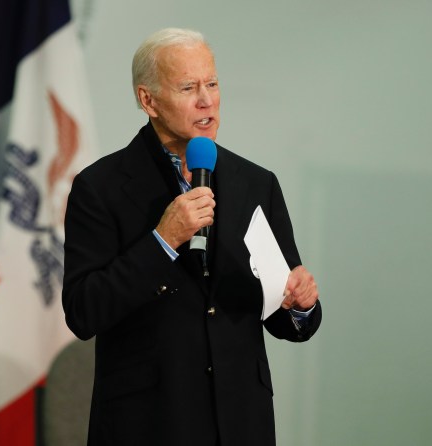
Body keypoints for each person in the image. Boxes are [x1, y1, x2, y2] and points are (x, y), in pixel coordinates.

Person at [62, 28, 322, 445]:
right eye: (188, 88)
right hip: (149, 423)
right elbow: (83, 312)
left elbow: (286, 319)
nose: (207, 100)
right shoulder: (101, 187)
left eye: (212, 84)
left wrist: (301, 304)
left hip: (241, 423)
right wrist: (162, 240)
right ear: (148, 100)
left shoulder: (256, 184)